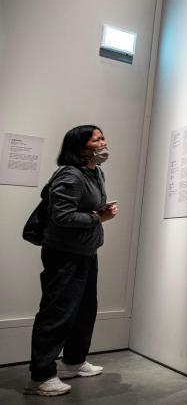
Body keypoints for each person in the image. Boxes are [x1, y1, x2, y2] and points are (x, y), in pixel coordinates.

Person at [24, 125, 118, 397]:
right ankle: (40, 376)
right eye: (97, 139)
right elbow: (62, 216)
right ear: (80, 147)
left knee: (85, 310)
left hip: (86, 250)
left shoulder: (95, 172)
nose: (104, 142)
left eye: (103, 137)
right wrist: (98, 218)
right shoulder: (70, 175)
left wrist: (98, 212)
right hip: (63, 253)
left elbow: (82, 208)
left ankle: (74, 362)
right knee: (57, 312)